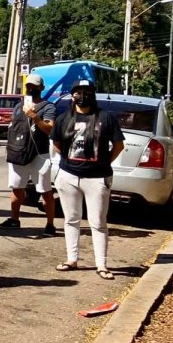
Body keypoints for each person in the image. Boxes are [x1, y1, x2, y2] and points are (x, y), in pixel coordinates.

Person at [52, 78, 125, 280]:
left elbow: (118, 146)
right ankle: (71, 259)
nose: (82, 95)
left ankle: (101, 265)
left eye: (87, 91)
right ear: (73, 94)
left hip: (97, 178)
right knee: (71, 219)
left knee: (98, 222)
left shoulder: (106, 118)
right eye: (78, 91)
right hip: (68, 176)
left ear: (93, 94)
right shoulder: (64, 118)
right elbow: (56, 143)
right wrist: (67, 161)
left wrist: (103, 163)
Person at [0, 72, 57, 235]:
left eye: (34, 86)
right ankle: (14, 219)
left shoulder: (48, 106)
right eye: (28, 86)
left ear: (42, 88)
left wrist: (35, 117)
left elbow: (49, 128)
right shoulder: (19, 106)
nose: (30, 89)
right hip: (19, 153)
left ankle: (50, 224)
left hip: (39, 155)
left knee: (45, 191)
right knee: (17, 189)